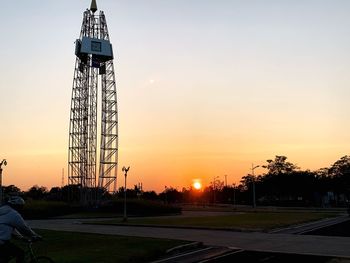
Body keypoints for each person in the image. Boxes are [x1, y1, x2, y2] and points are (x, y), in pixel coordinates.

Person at [0, 196, 42, 263]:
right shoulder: (13, 214)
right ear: (17, 206)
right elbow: (23, 228)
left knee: (5, 257)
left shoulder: (2, 211)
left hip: (2, 241)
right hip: (1, 242)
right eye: (21, 206)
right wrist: (35, 235)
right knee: (20, 253)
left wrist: (21, 238)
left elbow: (9, 229)